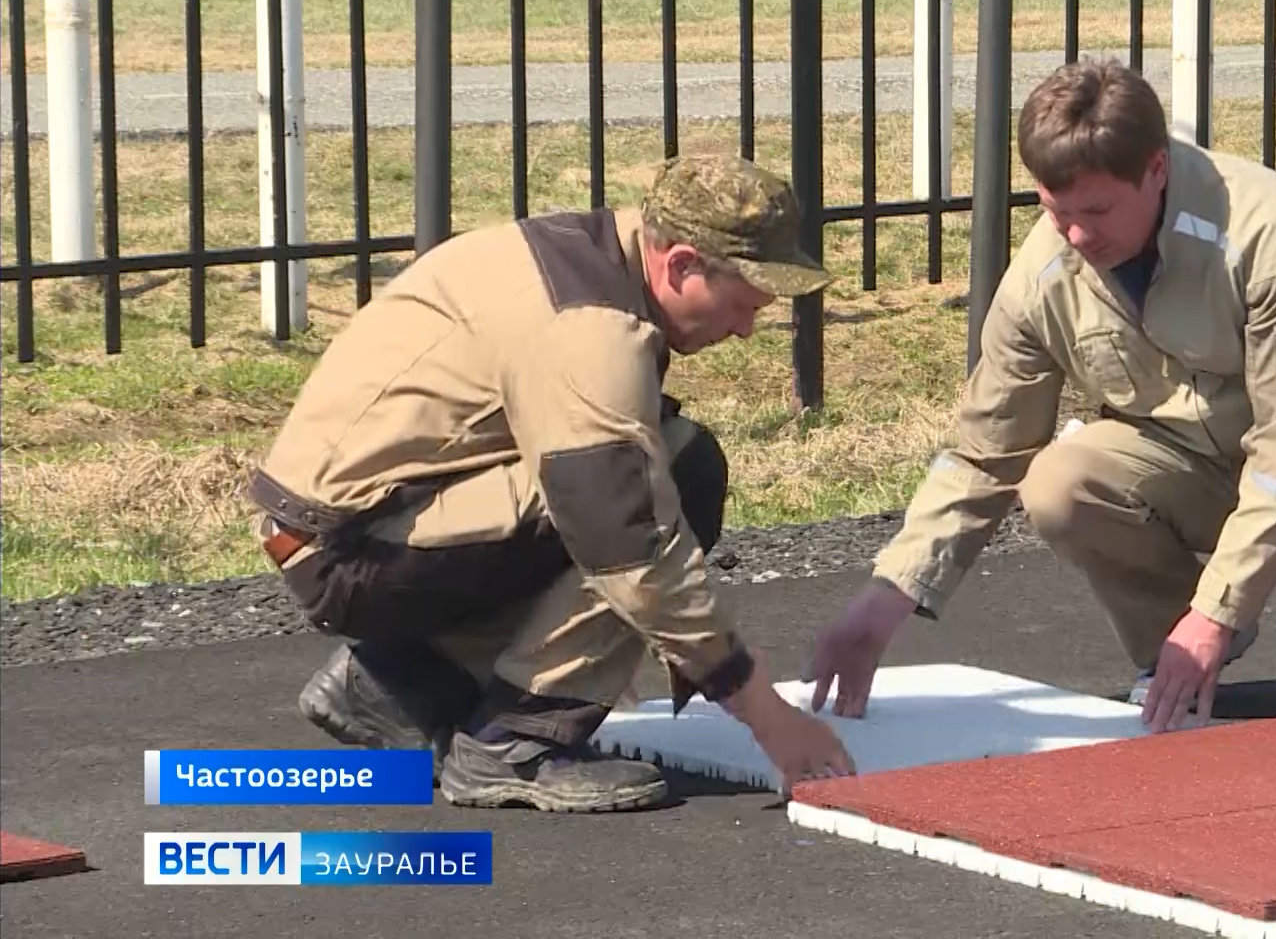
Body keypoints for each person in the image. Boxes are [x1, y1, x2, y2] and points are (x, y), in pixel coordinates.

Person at [807, 59, 1276, 733]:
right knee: (1060, 480)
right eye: (1057, 212)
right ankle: (1181, 648)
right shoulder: (1040, 278)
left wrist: (1220, 605)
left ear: (1156, 169)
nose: (1078, 236)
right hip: (1188, 467)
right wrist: (886, 599)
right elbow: (984, 455)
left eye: (1097, 210)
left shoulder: (1268, 233)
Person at [248, 154, 855, 812]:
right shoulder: (590, 329)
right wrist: (762, 709)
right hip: (351, 551)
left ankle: (400, 683)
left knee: (645, 463)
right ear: (680, 264)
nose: (745, 328)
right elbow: (627, 545)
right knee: (671, 478)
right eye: (744, 303)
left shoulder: (592, 253)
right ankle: (519, 741)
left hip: (353, 524)